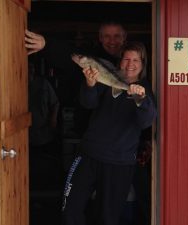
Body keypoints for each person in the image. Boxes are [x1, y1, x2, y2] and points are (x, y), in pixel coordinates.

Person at [61, 41, 156, 225]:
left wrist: (140, 99)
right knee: (70, 209)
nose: (130, 64)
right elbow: (87, 103)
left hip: (119, 163)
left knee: (107, 218)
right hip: (88, 156)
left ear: (143, 64)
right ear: (120, 62)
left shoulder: (144, 91)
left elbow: (145, 122)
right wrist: (89, 84)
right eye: (127, 59)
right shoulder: (105, 80)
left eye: (136, 60)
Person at [28, 61, 60, 189]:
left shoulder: (43, 83)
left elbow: (55, 103)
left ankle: (43, 188)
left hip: (43, 131)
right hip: (25, 133)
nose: (29, 71)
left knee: (43, 163)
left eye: (31, 68)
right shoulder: (15, 84)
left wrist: (53, 120)